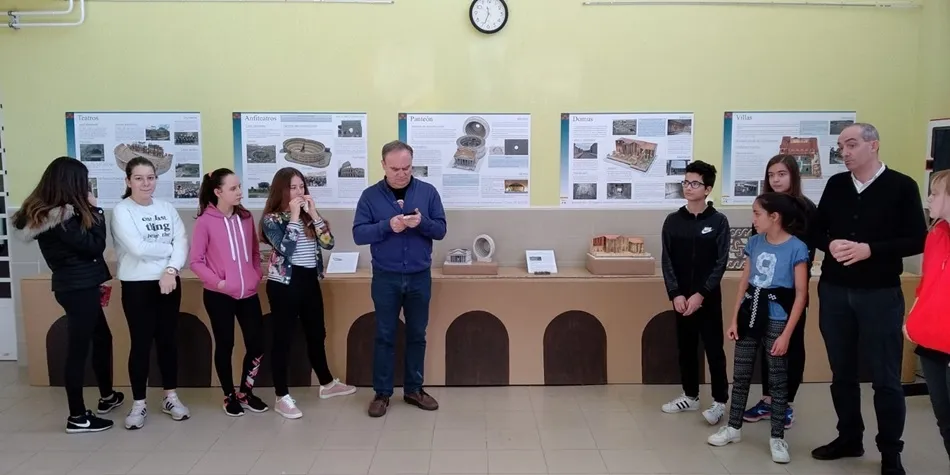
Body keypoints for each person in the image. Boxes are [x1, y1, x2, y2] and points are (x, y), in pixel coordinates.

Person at [810, 123, 927, 474]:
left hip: (879, 295)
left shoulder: (902, 186)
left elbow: (917, 240)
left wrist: (869, 250)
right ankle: (849, 437)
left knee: (885, 377)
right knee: (841, 372)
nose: (844, 152)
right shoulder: (835, 185)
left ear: (873, 145)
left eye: (852, 144)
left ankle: (891, 451)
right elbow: (815, 228)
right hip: (834, 291)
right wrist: (829, 243)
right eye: (841, 146)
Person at [13, 157, 125, 433]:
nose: (87, 186)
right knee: (78, 350)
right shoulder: (60, 218)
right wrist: (96, 210)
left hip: (80, 286)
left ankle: (107, 396)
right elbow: (94, 246)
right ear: (72, 182)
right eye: (84, 181)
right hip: (77, 289)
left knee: (102, 338)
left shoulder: (57, 214)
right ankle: (77, 416)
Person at [707, 192, 810, 464]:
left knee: (777, 380)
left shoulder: (797, 247)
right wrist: (733, 319)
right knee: (740, 374)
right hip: (749, 313)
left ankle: (777, 437)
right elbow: (744, 282)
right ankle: (733, 426)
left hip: (777, 318)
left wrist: (787, 333)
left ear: (774, 217)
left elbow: (800, 294)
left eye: (757, 214)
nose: (753, 219)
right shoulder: (754, 243)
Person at [353, 140, 447, 418]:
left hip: (419, 276)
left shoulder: (428, 193)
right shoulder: (370, 196)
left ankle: (413, 389)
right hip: (386, 277)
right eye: (395, 168)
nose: (401, 173)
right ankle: (382, 393)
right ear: (383, 165)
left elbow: (441, 230)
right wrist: (387, 226)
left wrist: (424, 224)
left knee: (417, 334)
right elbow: (359, 234)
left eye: (406, 168)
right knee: (384, 335)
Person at [261, 167, 356, 420]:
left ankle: (326, 383)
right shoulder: (272, 219)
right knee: (283, 338)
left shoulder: (308, 217)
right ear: (281, 189)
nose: (299, 192)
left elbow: (329, 243)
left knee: (317, 333)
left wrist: (313, 214)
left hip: (309, 281)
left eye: (301, 187)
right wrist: (293, 215)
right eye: (293, 187)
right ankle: (281, 396)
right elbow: (286, 250)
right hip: (284, 283)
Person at [110, 156, 191, 430]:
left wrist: (170, 270)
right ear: (128, 181)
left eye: (151, 177)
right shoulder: (122, 211)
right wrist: (169, 252)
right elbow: (138, 248)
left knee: (168, 341)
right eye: (139, 178)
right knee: (141, 343)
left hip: (169, 282)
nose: (146, 183)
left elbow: (181, 241)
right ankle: (139, 403)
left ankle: (170, 397)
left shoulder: (166, 207)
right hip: (137, 285)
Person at [742, 154, 818, 429]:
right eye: (772, 174)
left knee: (791, 344)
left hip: (790, 292)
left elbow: (804, 251)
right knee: (766, 343)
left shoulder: (805, 208)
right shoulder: (763, 206)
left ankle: (785, 403)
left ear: (794, 176)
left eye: (782, 174)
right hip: (763, 289)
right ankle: (767, 399)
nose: (776, 179)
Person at [190, 168, 269, 417]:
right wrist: (219, 283)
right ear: (218, 191)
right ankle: (229, 395)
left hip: (249, 294)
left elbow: (255, 252)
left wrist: (256, 274)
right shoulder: (205, 221)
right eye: (233, 188)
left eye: (239, 187)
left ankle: (246, 392)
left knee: (257, 345)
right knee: (225, 345)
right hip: (219, 295)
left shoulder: (246, 218)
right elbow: (196, 261)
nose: (239, 192)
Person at [659, 160, 730, 425]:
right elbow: (667, 260)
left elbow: (720, 262)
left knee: (714, 349)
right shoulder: (673, 221)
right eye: (686, 182)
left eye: (695, 183)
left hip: (707, 298)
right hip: (681, 298)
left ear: (708, 188)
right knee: (686, 347)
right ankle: (690, 395)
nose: (688, 187)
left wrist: (701, 294)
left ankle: (720, 401)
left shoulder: (719, 221)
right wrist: (676, 293)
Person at [904, 169, 950, 463]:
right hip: (932, 342)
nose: (929, 199)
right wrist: (913, 317)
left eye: (935, 193)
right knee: (945, 422)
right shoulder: (935, 235)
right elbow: (927, 283)